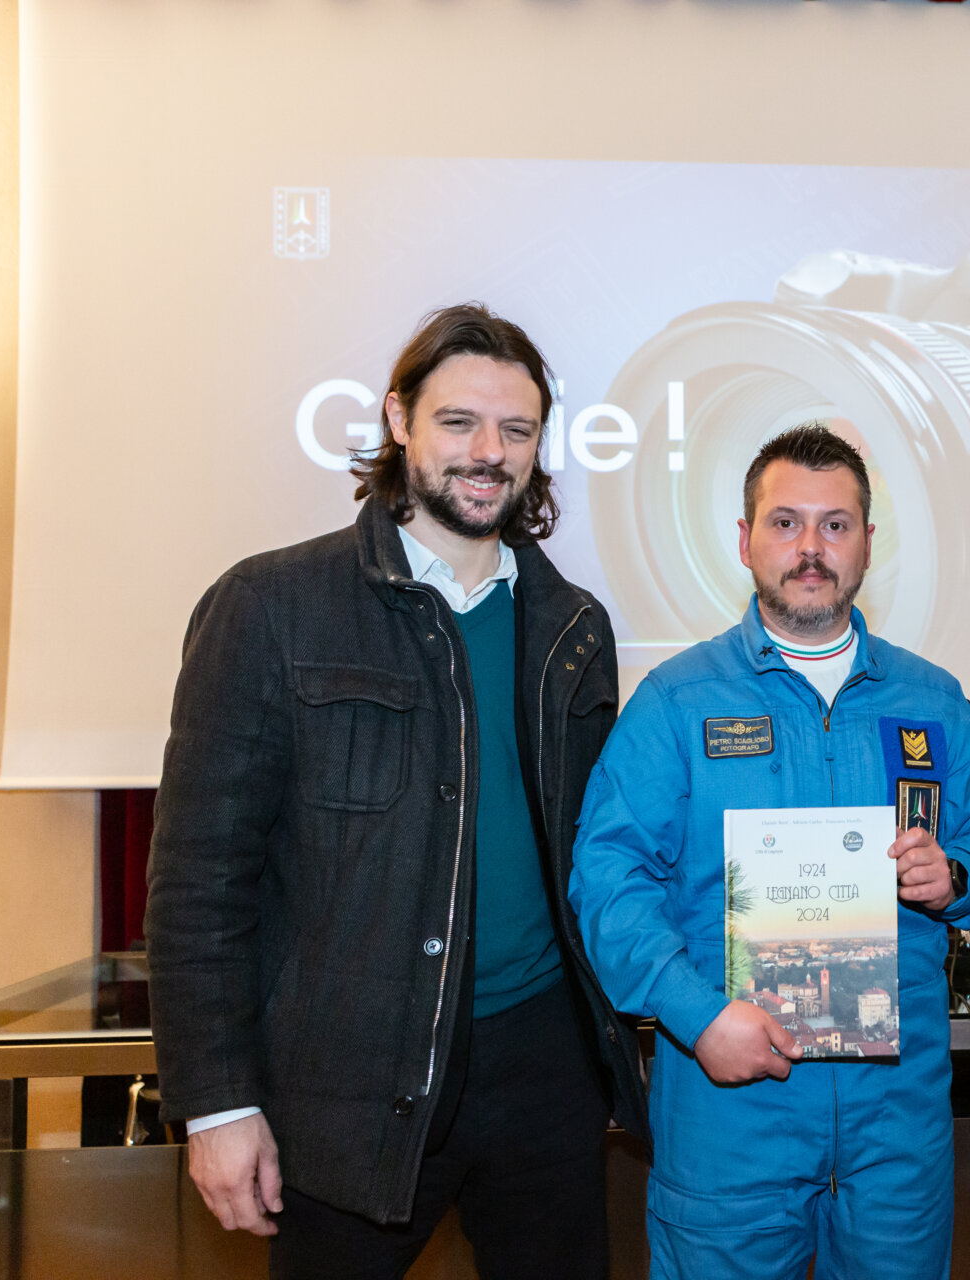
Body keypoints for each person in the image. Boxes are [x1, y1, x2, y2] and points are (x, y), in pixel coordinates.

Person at [146, 304, 646, 1278]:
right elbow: (199, 879)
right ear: (399, 419)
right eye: (460, 421)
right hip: (347, 1079)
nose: (488, 451)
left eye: (517, 429)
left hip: (543, 1066)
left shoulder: (572, 626)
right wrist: (216, 1101)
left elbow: (594, 853)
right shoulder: (271, 606)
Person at [567, 423, 970, 1280]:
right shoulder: (675, 703)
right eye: (785, 523)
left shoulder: (932, 699)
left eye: (835, 524)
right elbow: (609, 880)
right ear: (744, 541)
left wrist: (957, 874)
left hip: (897, 1115)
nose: (810, 548)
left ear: (867, 545)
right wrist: (699, 1018)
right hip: (730, 1105)